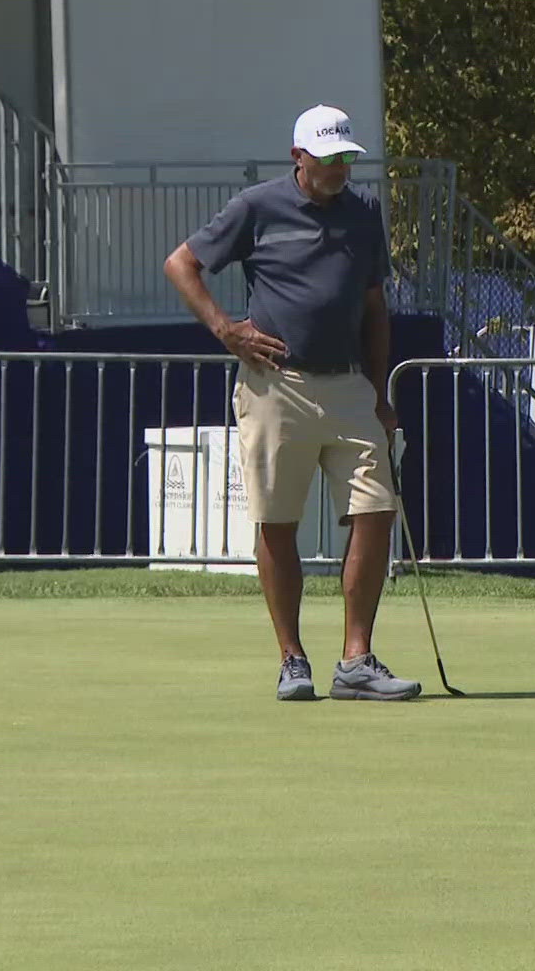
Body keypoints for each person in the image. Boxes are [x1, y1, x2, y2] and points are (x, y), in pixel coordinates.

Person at [163, 104, 420, 703]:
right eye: (327, 158)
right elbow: (183, 264)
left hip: (352, 385)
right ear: (298, 157)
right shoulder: (258, 206)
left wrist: (380, 394)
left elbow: (375, 307)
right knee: (278, 524)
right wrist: (227, 331)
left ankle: (356, 661)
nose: (338, 169)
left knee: (376, 512)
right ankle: (292, 659)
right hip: (276, 384)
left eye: (345, 159)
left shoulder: (363, 214)